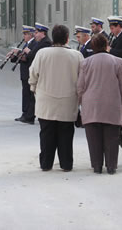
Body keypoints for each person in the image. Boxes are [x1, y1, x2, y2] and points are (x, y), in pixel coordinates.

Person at [29, 25, 83, 172]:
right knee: (66, 134)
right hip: (68, 101)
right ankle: (66, 163)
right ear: (67, 38)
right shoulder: (76, 55)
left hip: (45, 100)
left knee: (46, 134)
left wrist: (34, 89)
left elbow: (33, 74)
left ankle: (46, 163)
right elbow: (82, 79)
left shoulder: (42, 53)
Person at [77, 34, 122, 175]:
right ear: (107, 46)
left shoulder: (85, 63)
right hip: (112, 104)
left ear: (93, 47)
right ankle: (111, 166)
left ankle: (97, 165)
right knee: (112, 136)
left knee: (93, 137)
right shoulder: (118, 62)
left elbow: (80, 86)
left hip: (91, 105)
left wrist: (79, 103)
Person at [16, 23, 52, 124]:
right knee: (29, 95)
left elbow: (34, 55)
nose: (35, 35)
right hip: (30, 71)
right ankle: (27, 115)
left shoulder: (45, 43)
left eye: (36, 33)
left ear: (43, 33)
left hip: (38, 72)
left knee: (32, 96)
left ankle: (30, 116)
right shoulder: (40, 42)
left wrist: (27, 51)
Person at [9, 26, 37, 124]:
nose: (24, 36)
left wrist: (19, 52)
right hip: (24, 73)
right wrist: (13, 57)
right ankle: (24, 114)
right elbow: (22, 58)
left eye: (25, 34)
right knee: (25, 94)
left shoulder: (34, 44)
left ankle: (29, 116)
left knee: (29, 95)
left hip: (30, 72)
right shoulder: (27, 44)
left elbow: (30, 57)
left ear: (31, 35)